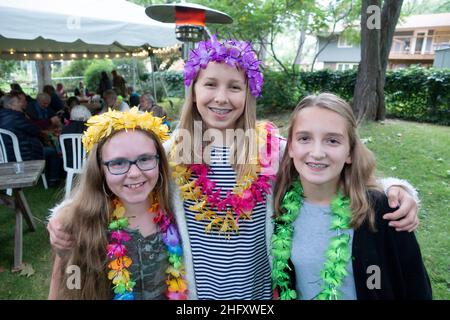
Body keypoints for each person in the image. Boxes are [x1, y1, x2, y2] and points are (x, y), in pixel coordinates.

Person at [48, 35, 420, 300]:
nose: (221, 98)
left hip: (259, 293)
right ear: (194, 89)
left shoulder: (273, 148)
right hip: (196, 295)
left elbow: (326, 163)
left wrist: (396, 190)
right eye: (210, 84)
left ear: (249, 93)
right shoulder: (170, 151)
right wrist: (63, 214)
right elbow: (119, 180)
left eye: (235, 87)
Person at [271, 93, 431, 300]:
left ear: (350, 152)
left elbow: (416, 286)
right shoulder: (280, 207)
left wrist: (400, 189)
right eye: (304, 138)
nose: (317, 152)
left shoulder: (381, 210)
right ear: (290, 147)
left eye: (332, 140)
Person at [48, 108, 187, 300]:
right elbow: (65, 284)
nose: (135, 173)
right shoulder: (80, 224)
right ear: (99, 169)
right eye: (118, 163)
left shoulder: (176, 211)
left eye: (145, 159)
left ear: (159, 161)